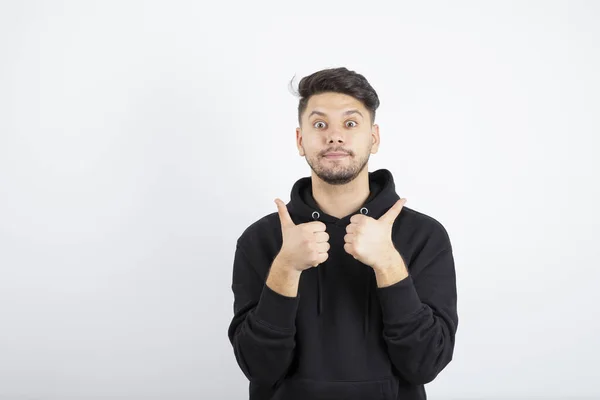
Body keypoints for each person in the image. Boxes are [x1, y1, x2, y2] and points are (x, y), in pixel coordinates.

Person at [227, 67, 458, 400]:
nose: (334, 136)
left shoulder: (425, 235)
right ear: (300, 140)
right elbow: (259, 369)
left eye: (350, 124)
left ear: (373, 138)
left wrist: (389, 265)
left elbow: (426, 365)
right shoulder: (260, 240)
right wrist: (286, 268)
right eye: (320, 125)